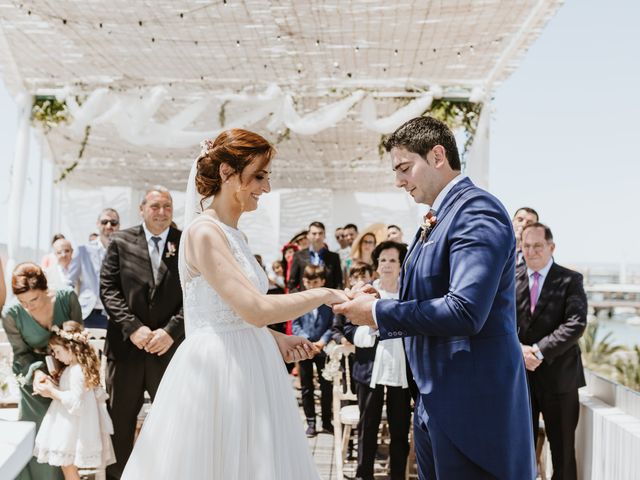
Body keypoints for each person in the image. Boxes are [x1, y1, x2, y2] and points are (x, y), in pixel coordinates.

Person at [120, 129, 347, 479]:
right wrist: (328, 294)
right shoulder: (204, 232)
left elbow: (233, 313)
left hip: (250, 363)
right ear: (227, 172)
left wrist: (275, 339)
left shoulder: (234, 234)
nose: (266, 188)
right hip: (218, 373)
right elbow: (253, 308)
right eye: (259, 176)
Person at [335, 116, 536, 479]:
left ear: (438, 155)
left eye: (404, 168)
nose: (398, 181)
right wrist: (377, 297)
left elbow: (465, 310)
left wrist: (379, 312)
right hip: (434, 402)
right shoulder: (438, 217)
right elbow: (426, 294)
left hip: (473, 411)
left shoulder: (477, 210)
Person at [100, 186, 184, 480]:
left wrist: (171, 331)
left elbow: (196, 296)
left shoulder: (185, 242)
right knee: (120, 423)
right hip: (125, 351)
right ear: (142, 208)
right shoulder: (121, 241)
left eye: (168, 207)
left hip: (168, 351)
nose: (162, 212)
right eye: (155, 206)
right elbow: (108, 290)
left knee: (171, 422)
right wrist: (133, 328)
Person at [517, 223, 587, 480]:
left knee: (563, 454)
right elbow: (499, 324)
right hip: (521, 379)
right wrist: (519, 351)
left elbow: (576, 324)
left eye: (538, 246)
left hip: (560, 379)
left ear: (551, 247)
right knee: (518, 450)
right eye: (526, 246)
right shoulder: (510, 279)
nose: (532, 251)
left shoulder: (570, 280)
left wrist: (538, 351)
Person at [1, 262, 82, 480]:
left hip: (68, 369)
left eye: (34, 299)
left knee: (66, 426)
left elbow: (79, 340)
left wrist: (65, 372)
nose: (29, 307)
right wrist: (37, 374)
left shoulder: (67, 298)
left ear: (45, 289)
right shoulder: (11, 314)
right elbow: (21, 353)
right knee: (37, 427)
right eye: (23, 302)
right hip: (32, 374)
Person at [343, 241, 411, 480]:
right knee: (367, 426)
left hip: (401, 370)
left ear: (402, 265)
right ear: (376, 264)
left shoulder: (409, 293)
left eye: (393, 260)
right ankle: (364, 474)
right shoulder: (366, 291)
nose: (387, 265)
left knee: (400, 429)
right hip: (370, 367)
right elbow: (347, 327)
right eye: (383, 260)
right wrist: (370, 332)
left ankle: (398, 476)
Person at [34, 322, 115, 479]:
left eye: (57, 351)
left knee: (67, 465)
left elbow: (76, 403)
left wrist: (51, 392)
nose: (55, 355)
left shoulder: (77, 371)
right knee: (66, 465)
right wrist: (53, 384)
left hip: (72, 427)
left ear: (71, 348)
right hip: (69, 424)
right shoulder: (72, 368)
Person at [292, 265, 334, 437]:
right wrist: (306, 341)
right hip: (304, 348)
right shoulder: (298, 301)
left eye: (315, 282)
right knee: (306, 386)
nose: (312, 285)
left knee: (326, 386)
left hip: (322, 349)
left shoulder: (328, 303)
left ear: (322, 281)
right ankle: (310, 422)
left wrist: (322, 342)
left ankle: (326, 421)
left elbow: (332, 325)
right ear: (304, 282)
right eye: (308, 282)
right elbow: (295, 324)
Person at [68, 208, 121, 328]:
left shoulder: (125, 252)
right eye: (104, 222)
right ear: (97, 224)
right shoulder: (82, 251)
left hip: (115, 315)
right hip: (87, 314)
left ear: (118, 226)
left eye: (113, 222)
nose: (109, 226)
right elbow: (69, 282)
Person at [287, 221, 343, 291]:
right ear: (308, 235)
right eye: (314, 234)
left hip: (327, 299)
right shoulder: (298, 256)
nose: (317, 237)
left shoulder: (334, 257)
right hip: (305, 298)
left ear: (324, 235)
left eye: (320, 233)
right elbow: (292, 284)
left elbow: (338, 283)